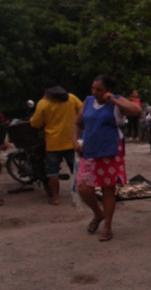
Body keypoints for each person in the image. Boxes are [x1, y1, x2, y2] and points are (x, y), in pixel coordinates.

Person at [73, 74, 142, 242]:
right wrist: (74, 140)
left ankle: (107, 226)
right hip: (89, 151)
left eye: (100, 89)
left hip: (110, 151)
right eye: (93, 88)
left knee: (107, 189)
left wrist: (114, 101)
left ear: (108, 90)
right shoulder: (88, 101)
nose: (95, 92)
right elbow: (77, 123)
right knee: (83, 188)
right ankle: (98, 214)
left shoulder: (116, 102)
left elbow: (137, 111)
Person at [29, 79, 83, 205]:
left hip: (53, 143)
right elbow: (83, 110)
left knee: (52, 171)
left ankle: (54, 198)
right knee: (76, 169)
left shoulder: (43, 103)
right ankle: (82, 194)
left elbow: (35, 123)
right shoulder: (71, 98)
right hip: (71, 140)